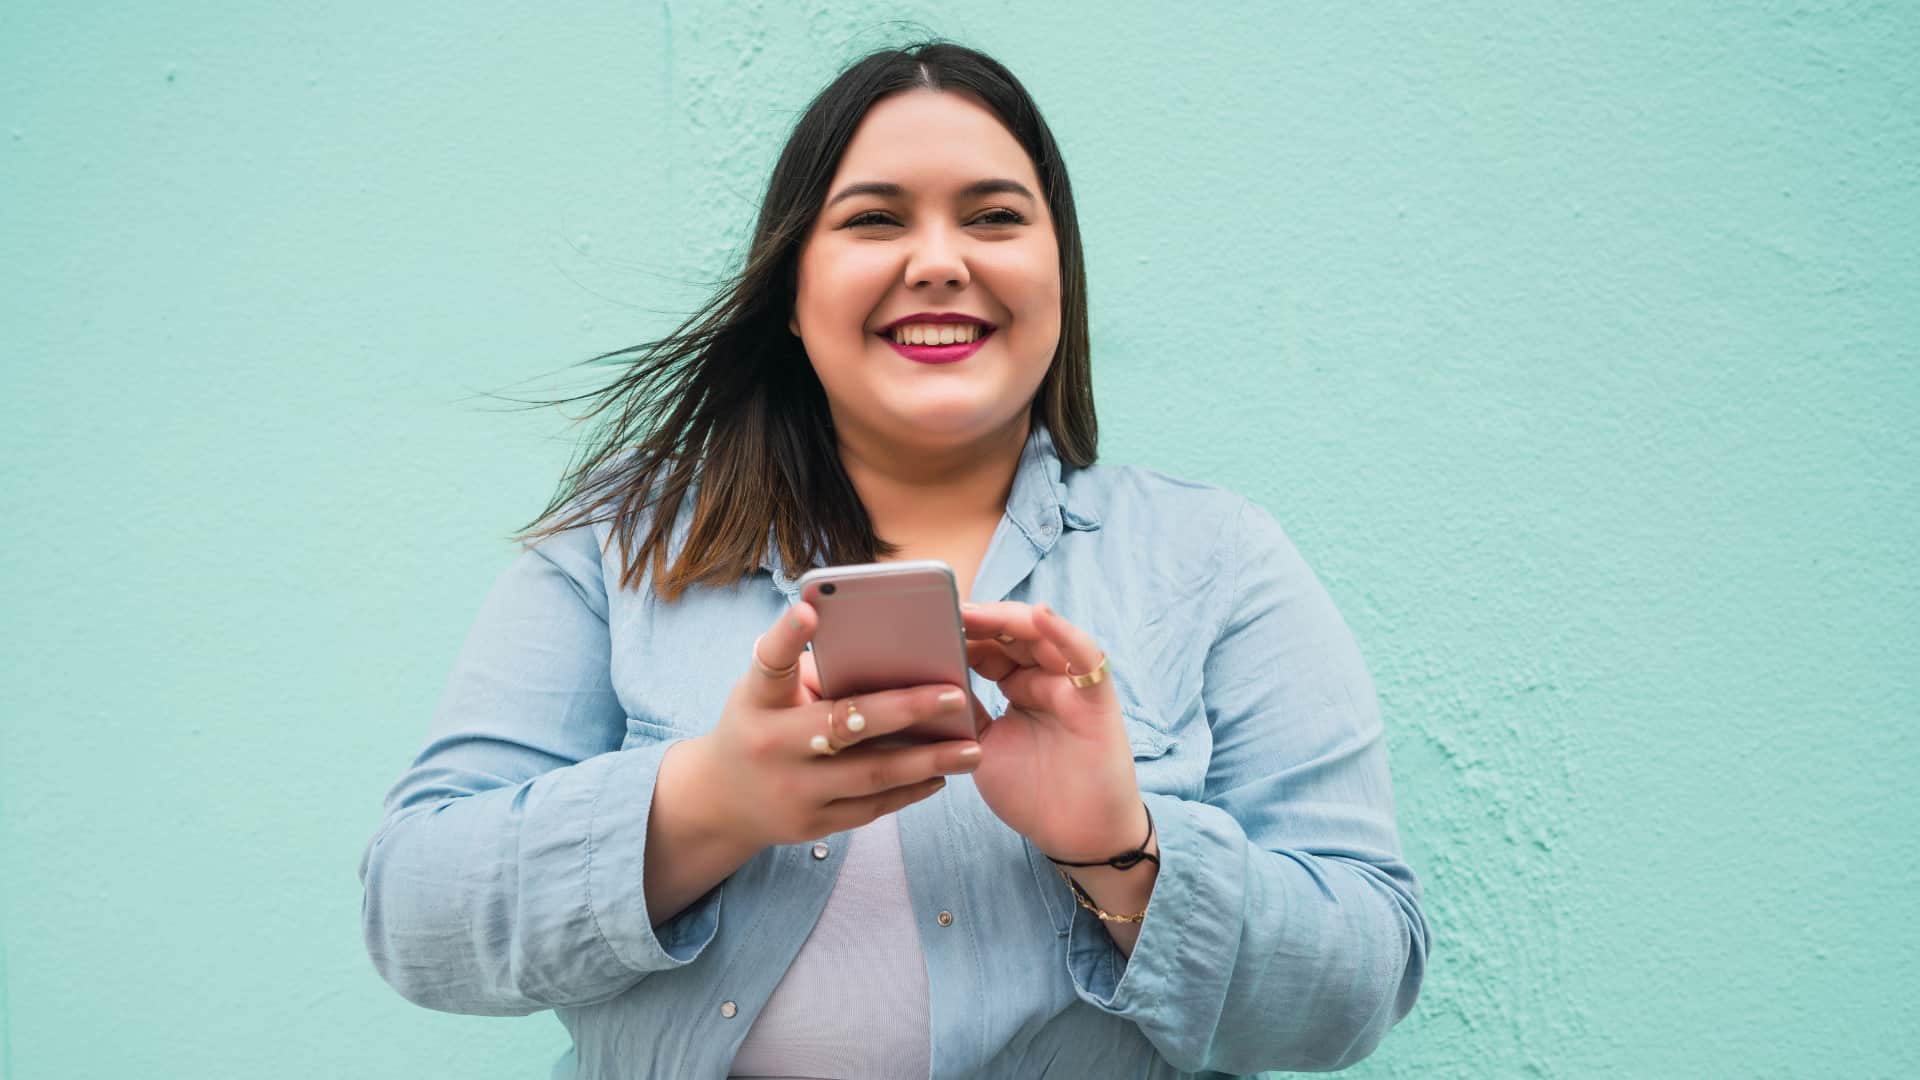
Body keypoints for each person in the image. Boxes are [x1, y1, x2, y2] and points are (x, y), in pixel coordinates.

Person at [358, 40, 1428, 1080]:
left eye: (995, 217)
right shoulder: (619, 543)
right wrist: (711, 802)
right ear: (791, 285)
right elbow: (414, 915)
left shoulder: (1217, 562)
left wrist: (1120, 847)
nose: (939, 260)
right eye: (874, 219)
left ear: (1061, 273)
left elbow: (1359, 985)